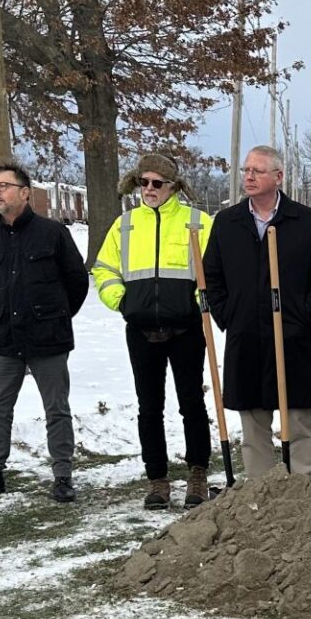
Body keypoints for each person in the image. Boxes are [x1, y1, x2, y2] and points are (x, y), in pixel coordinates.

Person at [0, 162, 90, 503]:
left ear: (25, 193)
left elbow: (77, 282)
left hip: (47, 339)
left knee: (56, 409)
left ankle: (62, 476)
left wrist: (53, 316)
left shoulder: (53, 234)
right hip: (4, 339)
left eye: (4, 186)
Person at [201, 146, 311, 476]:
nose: (248, 176)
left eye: (257, 170)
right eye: (246, 170)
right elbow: (211, 277)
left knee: (300, 422)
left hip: (293, 338)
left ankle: (306, 489)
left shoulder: (305, 221)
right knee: (252, 425)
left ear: (278, 176)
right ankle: (260, 493)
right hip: (245, 337)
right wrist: (229, 315)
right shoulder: (228, 223)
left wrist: (304, 314)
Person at [92, 153, 216, 509]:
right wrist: (121, 301)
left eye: (156, 183)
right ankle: (157, 480)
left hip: (187, 329)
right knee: (150, 407)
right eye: (143, 182)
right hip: (142, 329)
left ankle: (197, 474)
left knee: (192, 402)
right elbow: (104, 269)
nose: (149, 189)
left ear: (172, 187)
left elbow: (211, 270)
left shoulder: (198, 222)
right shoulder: (125, 225)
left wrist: (195, 302)